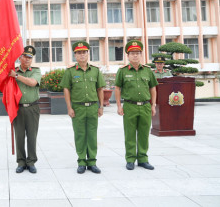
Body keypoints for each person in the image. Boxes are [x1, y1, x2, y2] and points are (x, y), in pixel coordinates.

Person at [61, 41, 105, 174]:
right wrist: (69, 107)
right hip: (78, 107)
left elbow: (100, 89)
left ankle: (92, 162)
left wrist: (101, 106)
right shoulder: (70, 71)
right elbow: (66, 89)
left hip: (92, 107)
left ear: (88, 54)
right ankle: (81, 161)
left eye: (84, 52)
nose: (82, 55)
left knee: (92, 135)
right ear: (75, 55)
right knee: (80, 135)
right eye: (79, 53)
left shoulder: (95, 70)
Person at [115, 40, 158, 171]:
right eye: (132, 53)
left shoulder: (148, 71)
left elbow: (153, 88)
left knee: (144, 134)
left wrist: (153, 105)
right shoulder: (122, 71)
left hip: (145, 106)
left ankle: (143, 159)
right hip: (129, 106)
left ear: (141, 54)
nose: (135, 55)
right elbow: (117, 89)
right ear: (128, 55)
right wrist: (118, 106)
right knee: (130, 134)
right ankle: (130, 159)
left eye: (138, 53)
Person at [8, 46, 41, 174]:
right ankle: (21, 162)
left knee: (32, 136)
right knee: (19, 136)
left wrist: (16, 76)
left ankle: (31, 161)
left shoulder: (36, 71)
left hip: (33, 108)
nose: (27, 59)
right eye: (25, 57)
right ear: (20, 57)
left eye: (30, 57)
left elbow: (32, 82)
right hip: (18, 108)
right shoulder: (13, 71)